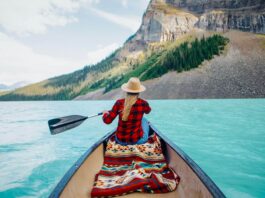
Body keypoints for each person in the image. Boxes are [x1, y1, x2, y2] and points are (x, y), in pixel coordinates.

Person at [102, 77, 151, 145]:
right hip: (137, 141)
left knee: (142, 119)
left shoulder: (119, 103)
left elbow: (107, 121)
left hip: (120, 141)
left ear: (127, 90)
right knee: (144, 120)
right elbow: (148, 111)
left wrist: (105, 114)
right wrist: (144, 104)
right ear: (139, 91)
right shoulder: (143, 103)